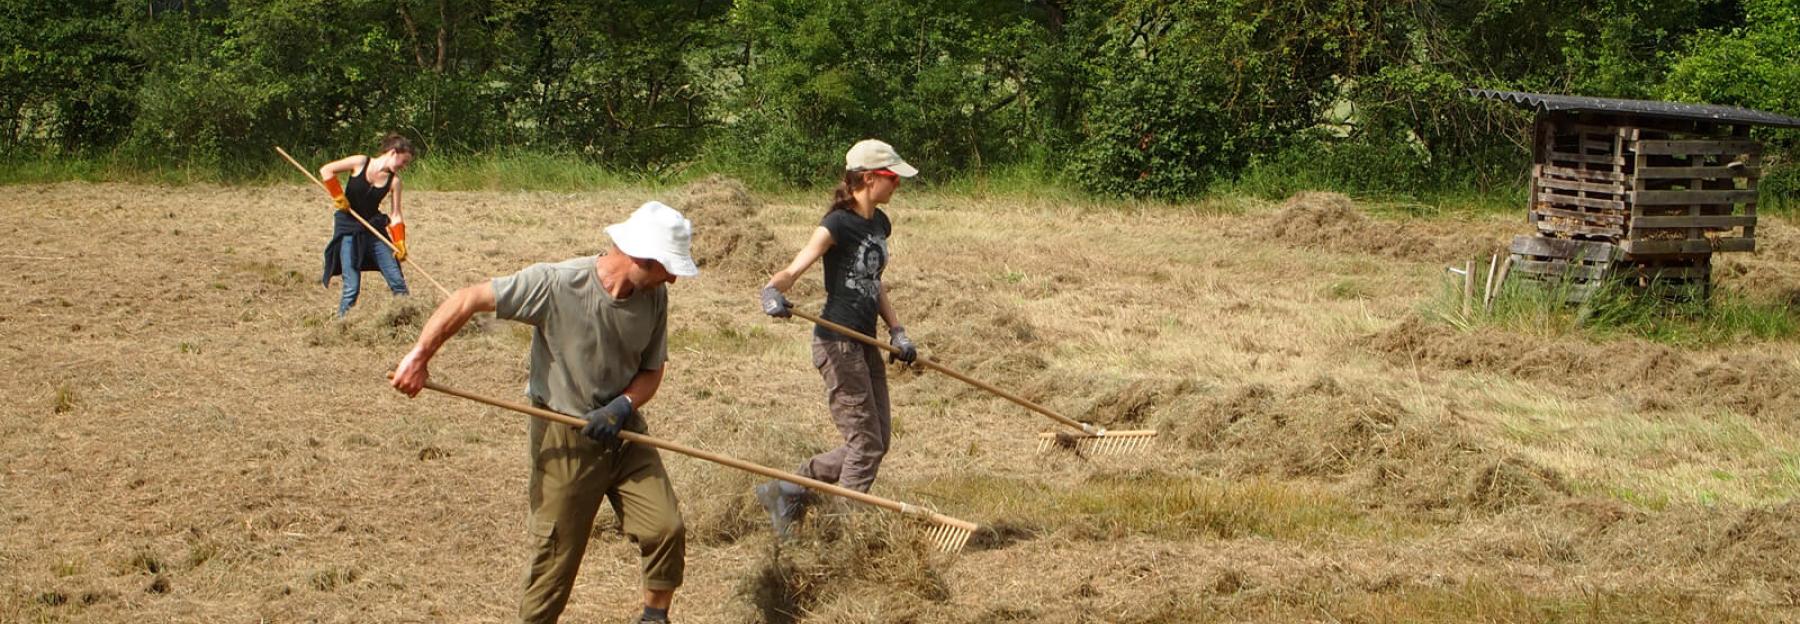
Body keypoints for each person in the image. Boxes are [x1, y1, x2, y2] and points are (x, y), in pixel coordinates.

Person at [390, 201, 698, 624]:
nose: (675, 279)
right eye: (668, 267)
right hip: (565, 435)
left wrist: (622, 405)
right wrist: (419, 357)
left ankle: (654, 618)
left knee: (666, 528)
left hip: (623, 431)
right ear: (642, 257)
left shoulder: (654, 296)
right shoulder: (557, 284)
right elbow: (467, 299)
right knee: (556, 554)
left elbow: (652, 370)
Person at [754, 139, 920, 537]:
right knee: (864, 445)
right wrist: (772, 292)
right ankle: (843, 533)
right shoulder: (836, 224)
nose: (897, 184)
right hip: (837, 342)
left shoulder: (880, 224)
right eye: (891, 177)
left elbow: (874, 282)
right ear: (867, 178)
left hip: (866, 341)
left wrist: (897, 331)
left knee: (877, 442)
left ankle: (789, 488)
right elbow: (793, 270)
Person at [320, 133, 415, 317]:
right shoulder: (360, 162)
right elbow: (326, 170)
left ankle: (407, 320)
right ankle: (342, 324)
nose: (403, 167)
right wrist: (338, 195)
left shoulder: (394, 182)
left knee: (397, 281)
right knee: (352, 287)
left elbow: (396, 215)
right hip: (349, 229)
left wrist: (400, 242)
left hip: (374, 231)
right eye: (403, 162)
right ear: (393, 152)